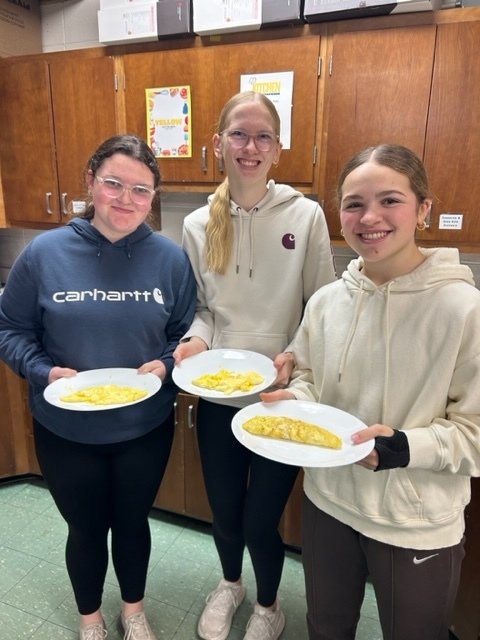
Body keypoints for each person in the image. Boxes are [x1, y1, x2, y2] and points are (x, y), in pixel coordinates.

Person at [262, 143, 480, 640]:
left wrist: (403, 447)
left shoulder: (465, 310)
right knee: (327, 627)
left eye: (390, 200)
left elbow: (476, 432)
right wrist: (292, 402)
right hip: (329, 501)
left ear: (423, 208)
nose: (370, 217)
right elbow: (310, 379)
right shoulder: (326, 302)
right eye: (355, 203)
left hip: (414, 520)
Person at [0, 134, 197, 640]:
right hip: (65, 427)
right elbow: (10, 330)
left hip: (143, 426)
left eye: (141, 190)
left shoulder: (170, 260)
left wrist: (171, 362)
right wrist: (44, 372)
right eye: (114, 183)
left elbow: (185, 335)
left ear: (154, 198)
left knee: (133, 524)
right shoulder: (45, 254)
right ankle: (91, 621)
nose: (126, 199)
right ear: (90, 181)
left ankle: (133, 612)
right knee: (85, 528)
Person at [173, 91, 336, 640]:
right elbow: (200, 310)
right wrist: (195, 343)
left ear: (278, 148)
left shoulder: (306, 215)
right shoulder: (197, 224)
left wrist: (294, 355)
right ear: (217, 144)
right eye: (239, 134)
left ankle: (268, 606)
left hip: (277, 397)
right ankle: (230, 585)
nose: (250, 146)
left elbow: (321, 305)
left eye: (262, 135)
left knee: (260, 519)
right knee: (225, 515)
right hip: (218, 396)